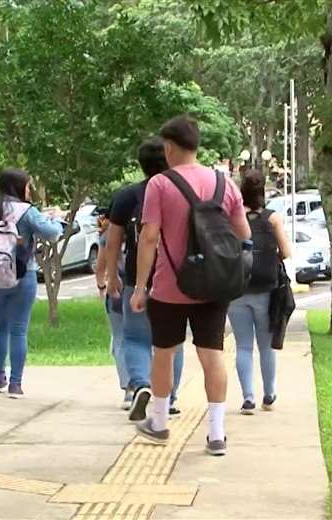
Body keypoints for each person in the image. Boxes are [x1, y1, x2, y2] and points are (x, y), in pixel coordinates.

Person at [130, 116, 251, 456]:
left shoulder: (159, 185)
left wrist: (140, 287)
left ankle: (159, 422)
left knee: (165, 354)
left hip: (170, 287)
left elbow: (149, 237)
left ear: (168, 147)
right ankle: (216, 433)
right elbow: (244, 234)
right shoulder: (224, 183)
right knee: (212, 355)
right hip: (213, 285)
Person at [105, 138, 185, 421]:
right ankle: (170, 397)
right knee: (172, 341)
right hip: (175, 279)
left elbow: (112, 241)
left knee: (135, 337)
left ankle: (140, 384)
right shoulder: (179, 192)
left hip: (136, 278)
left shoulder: (127, 196)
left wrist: (110, 273)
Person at [0, 169, 63, 398]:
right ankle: (15, 384)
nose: (29, 190)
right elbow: (52, 234)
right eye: (28, 186)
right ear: (18, 187)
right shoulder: (27, 212)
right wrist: (56, 220)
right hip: (23, 274)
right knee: (18, 329)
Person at [228, 170, 292, 415]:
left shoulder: (233, 219)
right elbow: (285, 252)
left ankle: (248, 398)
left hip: (237, 290)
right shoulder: (272, 218)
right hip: (266, 290)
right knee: (265, 346)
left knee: (243, 346)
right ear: (262, 191)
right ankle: (269, 393)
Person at [95, 208, 131, 409]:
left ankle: (128, 389)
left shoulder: (107, 236)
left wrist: (102, 286)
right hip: (142, 291)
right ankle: (144, 380)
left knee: (119, 340)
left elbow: (100, 268)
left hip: (116, 291)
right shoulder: (146, 228)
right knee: (145, 339)